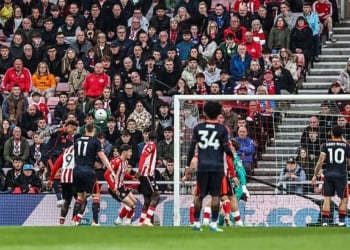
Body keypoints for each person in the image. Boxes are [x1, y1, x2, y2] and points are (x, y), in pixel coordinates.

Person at [186, 101, 233, 232]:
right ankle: (213, 223)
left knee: (200, 195)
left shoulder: (198, 128)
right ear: (219, 113)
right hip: (217, 166)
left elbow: (191, 149)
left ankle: (196, 223)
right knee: (216, 195)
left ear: (204, 112)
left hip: (203, 166)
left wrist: (187, 167)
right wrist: (232, 156)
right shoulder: (222, 129)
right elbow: (226, 148)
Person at [71, 123, 116, 226]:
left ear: (85, 130)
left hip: (77, 171)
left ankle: (73, 220)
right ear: (94, 130)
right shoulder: (95, 141)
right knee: (96, 195)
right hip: (88, 171)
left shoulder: (77, 141)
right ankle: (95, 222)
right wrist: (111, 170)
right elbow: (102, 157)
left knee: (80, 197)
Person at [311, 125, 350, 226]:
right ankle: (341, 222)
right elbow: (349, 163)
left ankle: (324, 223)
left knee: (327, 198)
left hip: (328, 175)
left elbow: (320, 161)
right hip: (341, 176)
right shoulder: (347, 146)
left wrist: (315, 175)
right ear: (342, 134)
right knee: (344, 198)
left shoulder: (326, 145)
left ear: (331, 133)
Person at [104, 144, 137, 226]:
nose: (131, 153)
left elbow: (123, 173)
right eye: (130, 152)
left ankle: (122, 221)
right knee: (131, 204)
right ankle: (124, 221)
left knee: (135, 202)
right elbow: (106, 174)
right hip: (115, 188)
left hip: (121, 186)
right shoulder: (116, 162)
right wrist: (112, 187)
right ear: (124, 152)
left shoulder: (125, 162)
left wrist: (132, 177)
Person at [137, 130, 160, 226]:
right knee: (156, 196)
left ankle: (141, 221)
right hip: (147, 174)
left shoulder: (147, 145)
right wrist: (140, 169)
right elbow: (143, 156)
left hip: (145, 174)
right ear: (155, 139)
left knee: (147, 199)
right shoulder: (152, 145)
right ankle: (147, 219)